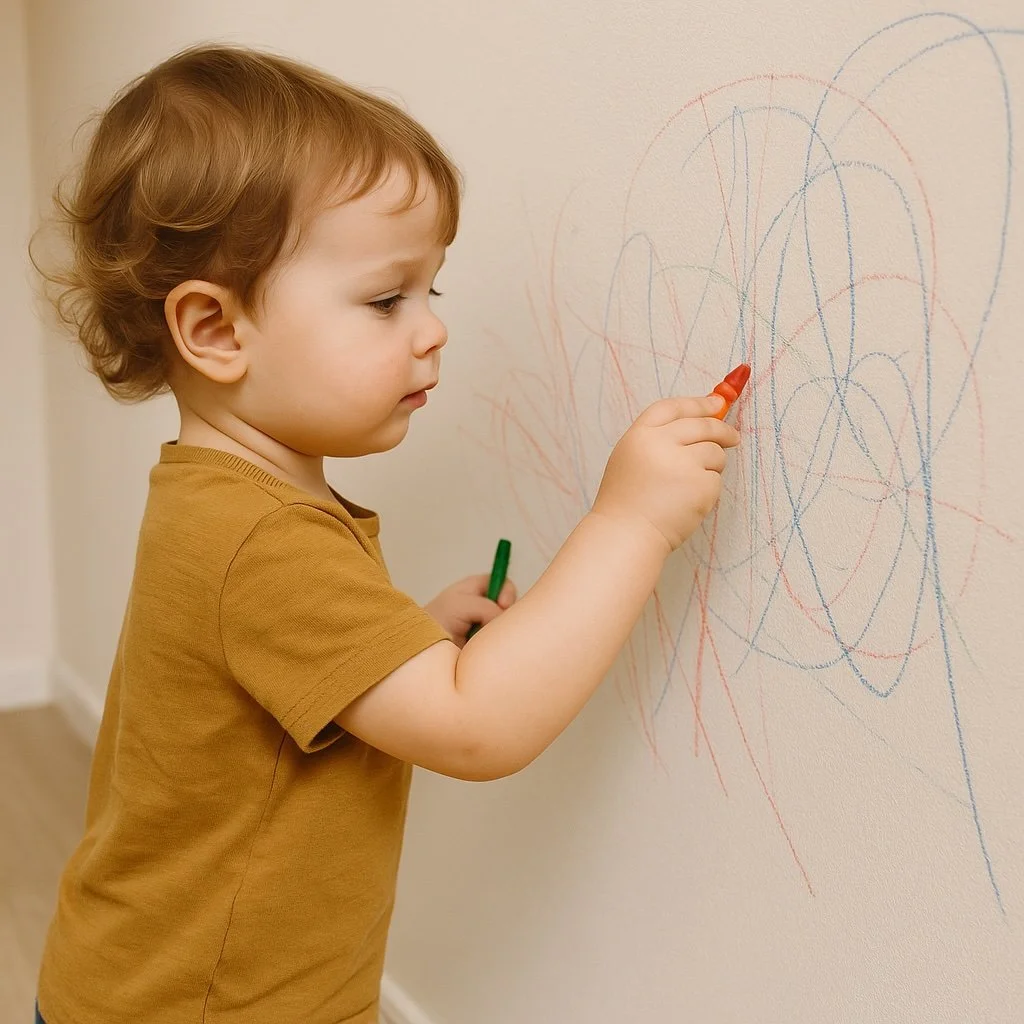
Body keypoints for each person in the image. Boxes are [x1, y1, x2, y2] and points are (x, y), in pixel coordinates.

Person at [32, 43, 740, 1024]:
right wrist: (630, 520)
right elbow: (475, 725)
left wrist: (403, 633)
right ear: (217, 330)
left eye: (431, 292)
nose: (431, 328)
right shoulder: (261, 538)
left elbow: (279, 690)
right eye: (383, 300)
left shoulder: (223, 497)